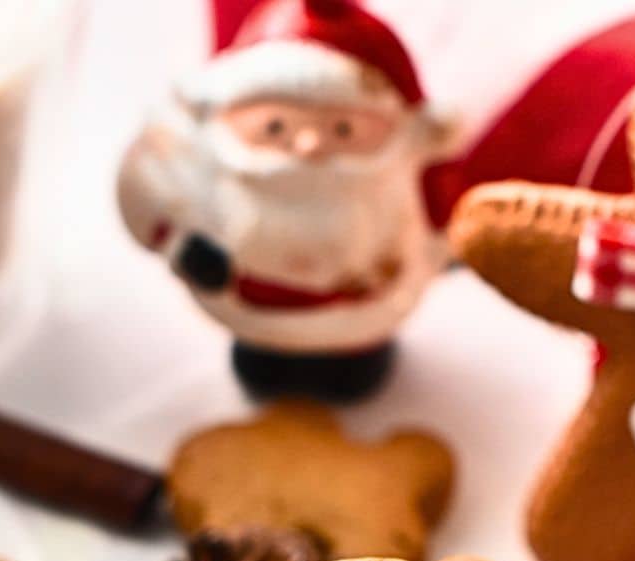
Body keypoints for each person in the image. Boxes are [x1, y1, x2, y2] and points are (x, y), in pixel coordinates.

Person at [117, 0, 457, 400]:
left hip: (362, 320)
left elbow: (447, 227)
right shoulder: (198, 164)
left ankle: (353, 369)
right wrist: (190, 253)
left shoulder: (405, 181)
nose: (310, 145)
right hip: (249, 309)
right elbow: (155, 210)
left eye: (343, 130)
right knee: (261, 373)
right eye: (275, 127)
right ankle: (266, 364)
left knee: (356, 381)